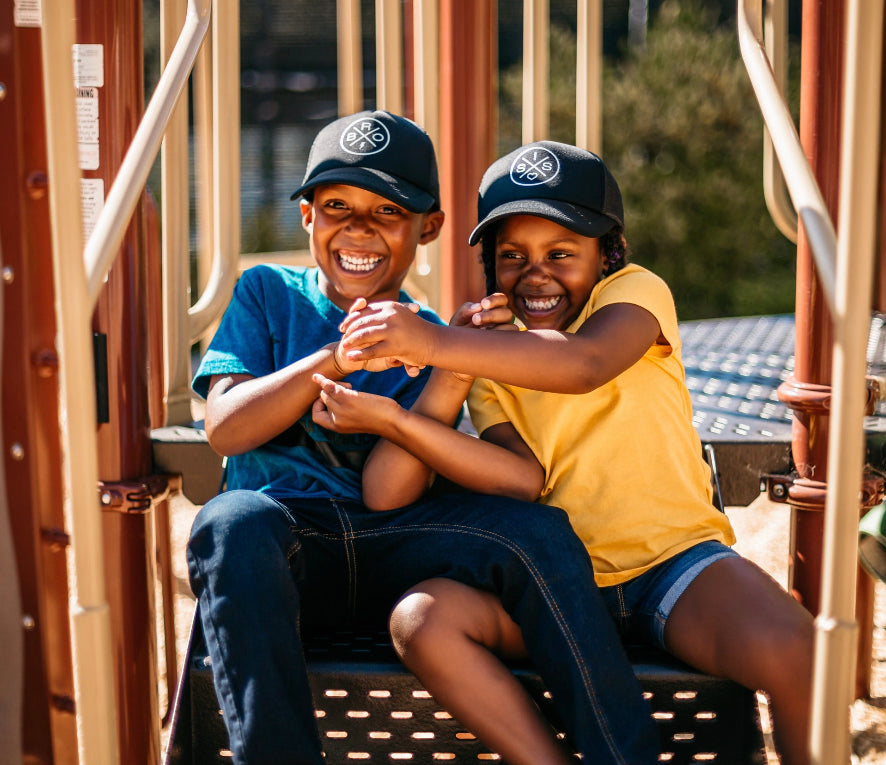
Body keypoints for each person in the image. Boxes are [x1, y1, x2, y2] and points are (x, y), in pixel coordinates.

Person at [313, 140, 815, 765]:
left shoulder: (634, 296)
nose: (536, 273)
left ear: (609, 255)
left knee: (798, 652)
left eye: (561, 254)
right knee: (421, 620)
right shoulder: (488, 359)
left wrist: (433, 341)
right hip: (558, 592)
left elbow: (584, 365)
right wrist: (398, 417)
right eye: (511, 258)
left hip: (670, 566)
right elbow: (519, 480)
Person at [186, 117, 661, 765]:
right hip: (288, 551)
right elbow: (226, 426)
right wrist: (340, 356)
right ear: (306, 217)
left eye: (387, 211)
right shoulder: (266, 292)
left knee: (536, 529)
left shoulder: (429, 332)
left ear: (428, 228)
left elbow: (390, 497)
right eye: (336, 208)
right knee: (232, 518)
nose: (358, 229)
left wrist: (445, 367)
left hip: (390, 547)